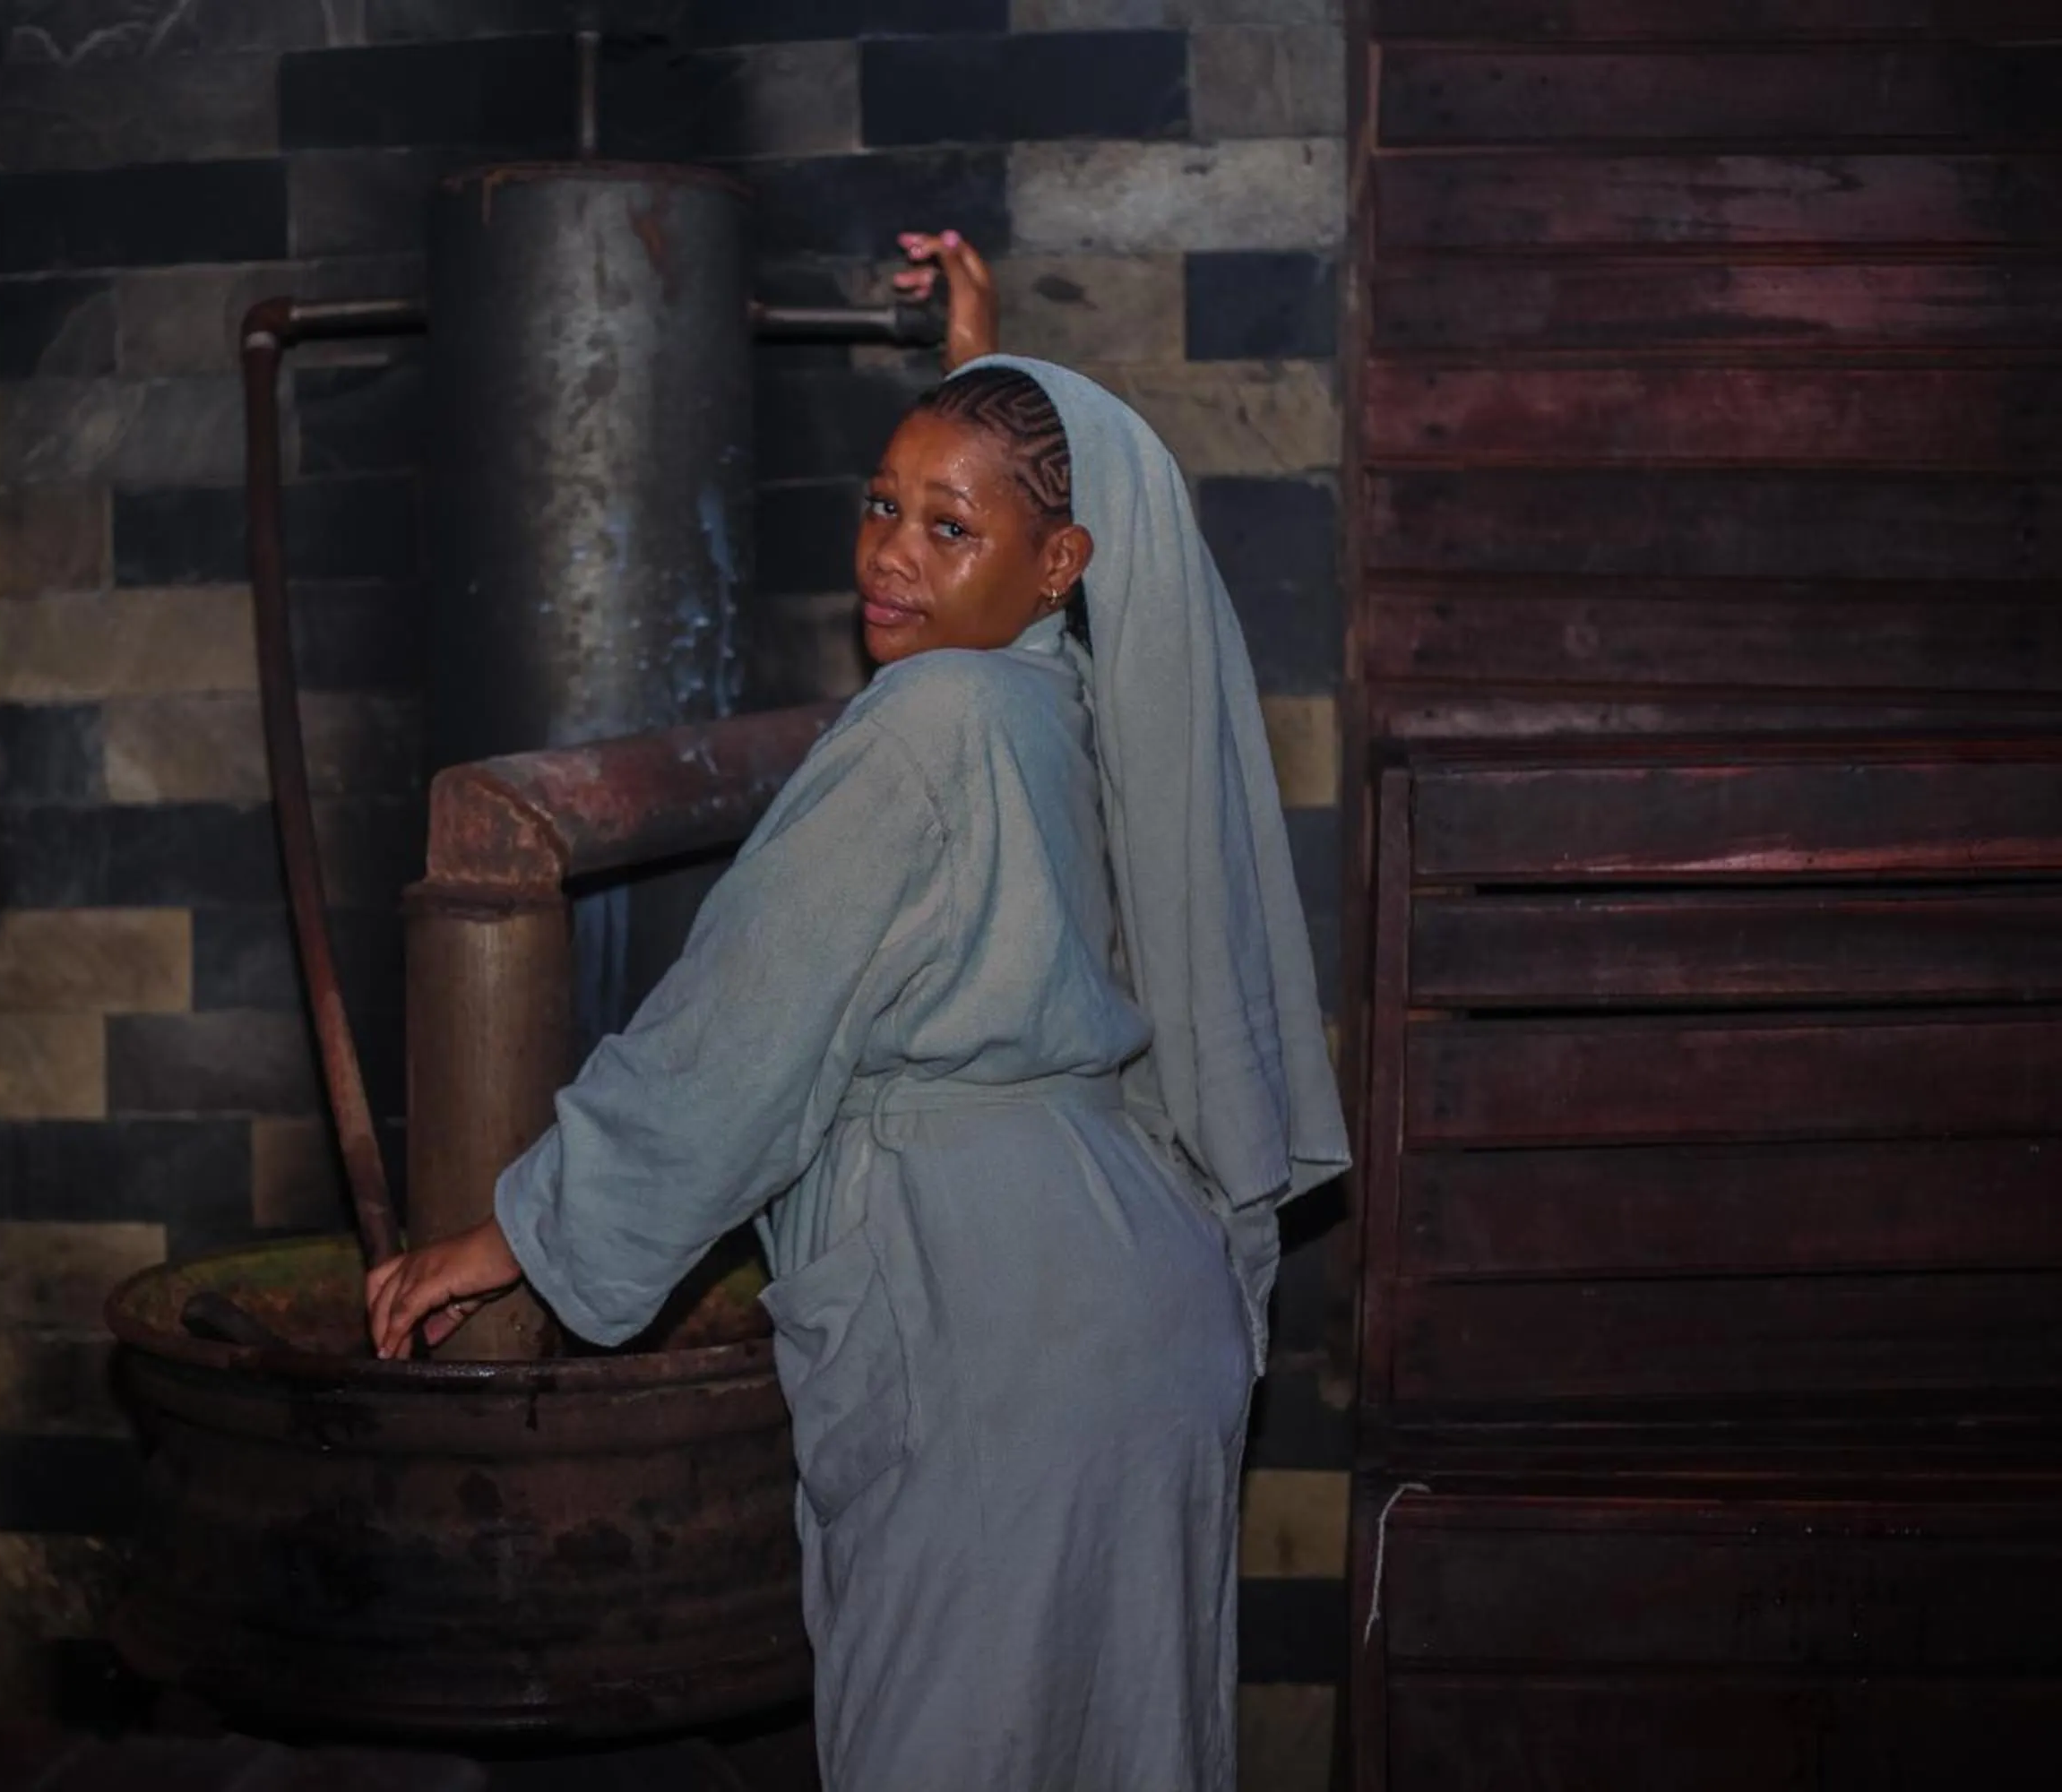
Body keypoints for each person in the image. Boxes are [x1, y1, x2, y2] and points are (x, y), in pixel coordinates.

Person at [367, 230, 1348, 1790]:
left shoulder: (929, 719)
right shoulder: (1071, 699)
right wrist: (978, 371)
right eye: (883, 505)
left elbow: (738, 1030)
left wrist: (520, 1230)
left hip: (993, 1329)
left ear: (1059, 565)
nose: (893, 553)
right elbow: (1024, 538)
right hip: (1132, 1302)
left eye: (947, 528)